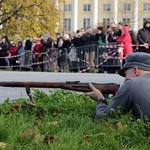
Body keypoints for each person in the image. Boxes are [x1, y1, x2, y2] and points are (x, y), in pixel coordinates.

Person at [85, 52, 150, 119]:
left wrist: (101, 99)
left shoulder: (131, 83)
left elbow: (105, 118)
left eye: (125, 74)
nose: (125, 79)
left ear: (135, 71)